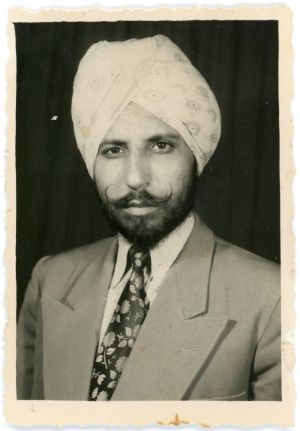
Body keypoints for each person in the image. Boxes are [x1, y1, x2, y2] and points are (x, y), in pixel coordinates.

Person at [17, 34, 281, 401]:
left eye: (160, 145)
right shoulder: (50, 279)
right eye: (113, 149)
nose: (136, 178)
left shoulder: (275, 298)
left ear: (196, 154)